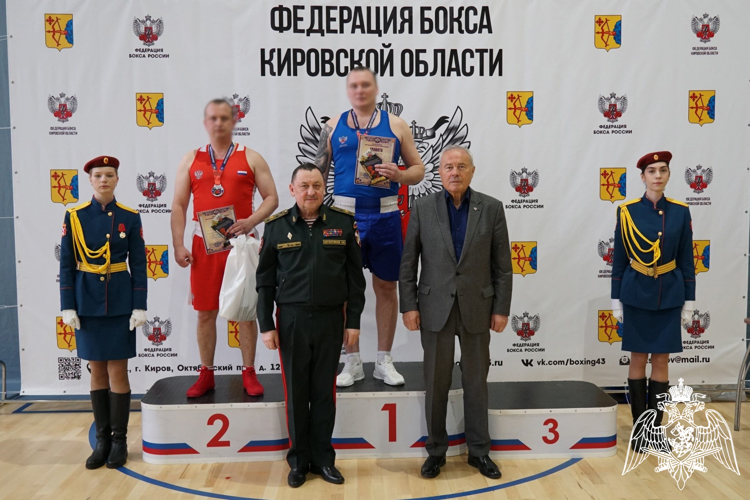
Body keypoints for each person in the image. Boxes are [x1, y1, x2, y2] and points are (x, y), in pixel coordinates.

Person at [399, 146, 512, 480]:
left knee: (476, 383)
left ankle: (479, 452)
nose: (455, 172)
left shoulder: (492, 208)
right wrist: (409, 305)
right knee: (436, 383)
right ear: (439, 171)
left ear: (472, 171)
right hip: (434, 308)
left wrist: (501, 309)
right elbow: (408, 263)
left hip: (478, 307)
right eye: (448, 166)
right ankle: (436, 451)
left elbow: (503, 267)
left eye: (461, 166)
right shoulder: (422, 208)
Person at [313, 66, 425, 387]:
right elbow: (319, 174)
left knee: (386, 288)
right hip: (343, 217)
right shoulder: (332, 126)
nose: (359, 90)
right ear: (348, 90)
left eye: (365, 85)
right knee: (344, 290)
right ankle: (352, 361)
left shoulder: (397, 125)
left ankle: (383, 361)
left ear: (375, 89)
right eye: (354, 86)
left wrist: (400, 175)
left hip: (385, 216)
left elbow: (418, 169)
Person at [256, 164, 366, 488]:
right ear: (292, 189)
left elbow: (355, 280)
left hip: (332, 319)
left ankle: (323, 460)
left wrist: (354, 321)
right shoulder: (276, 227)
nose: (311, 192)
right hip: (291, 320)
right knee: (296, 394)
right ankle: (298, 462)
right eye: (304, 186)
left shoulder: (343, 224)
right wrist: (266, 325)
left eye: (317, 185)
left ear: (324, 188)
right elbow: (264, 283)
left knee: (323, 394)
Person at [171, 98, 279, 397]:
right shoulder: (191, 159)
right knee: (205, 312)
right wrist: (178, 244)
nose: (218, 123)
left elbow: (272, 198)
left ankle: (249, 372)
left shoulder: (252, 157)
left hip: (241, 245)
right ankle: (206, 374)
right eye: (213, 118)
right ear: (205, 123)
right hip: (203, 247)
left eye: (224, 118)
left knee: (246, 310)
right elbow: (179, 205)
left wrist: (251, 221)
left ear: (234, 121)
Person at [59, 155, 148, 469]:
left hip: (119, 300)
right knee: (97, 371)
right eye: (98, 175)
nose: (104, 180)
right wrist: (68, 305)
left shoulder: (129, 216)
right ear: (90, 180)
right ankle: (102, 441)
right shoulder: (75, 216)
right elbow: (67, 263)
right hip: (87, 300)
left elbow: (139, 263)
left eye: (109, 175)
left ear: (117, 179)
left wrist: (139, 304)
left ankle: (119, 441)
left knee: (118, 371)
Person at [611, 151, 695, 451]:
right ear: (643, 176)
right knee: (638, 358)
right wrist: (616, 300)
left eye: (663, 170)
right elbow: (619, 259)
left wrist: (689, 301)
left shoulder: (681, 212)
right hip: (636, 292)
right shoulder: (627, 211)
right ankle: (640, 430)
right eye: (651, 171)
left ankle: (654, 431)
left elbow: (686, 259)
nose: (657, 175)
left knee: (661, 360)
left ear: (669, 174)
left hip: (669, 294)